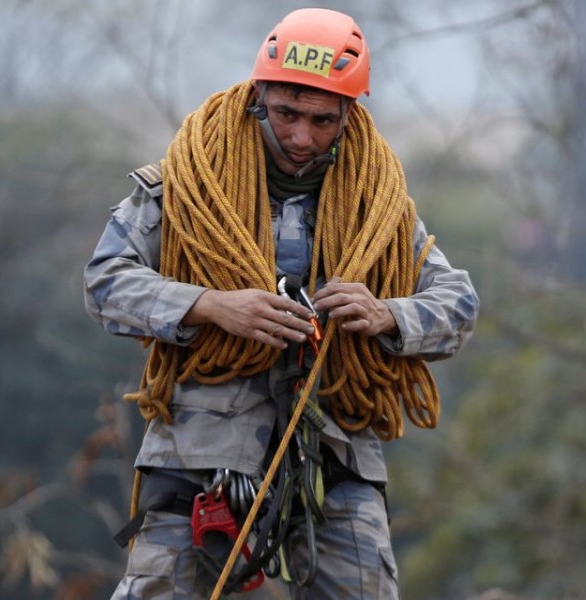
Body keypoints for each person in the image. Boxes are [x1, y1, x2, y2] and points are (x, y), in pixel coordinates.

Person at [84, 7, 478, 599]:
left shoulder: (378, 208)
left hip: (335, 452)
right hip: (198, 453)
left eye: (323, 120)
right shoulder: (187, 184)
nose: (301, 137)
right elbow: (106, 282)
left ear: (350, 114)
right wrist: (210, 306)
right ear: (258, 94)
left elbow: (458, 303)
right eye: (287, 113)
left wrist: (387, 314)